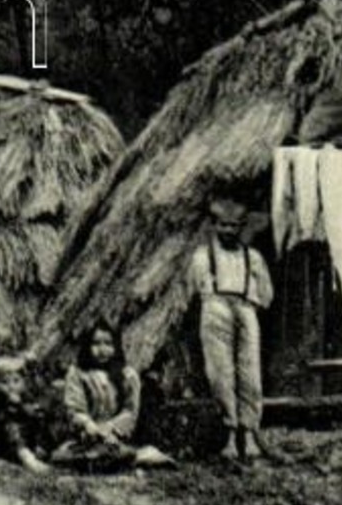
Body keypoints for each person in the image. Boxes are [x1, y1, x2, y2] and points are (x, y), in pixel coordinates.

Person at [187, 197, 274, 462]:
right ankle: (229, 433)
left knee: (250, 373)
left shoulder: (253, 257)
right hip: (215, 308)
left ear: (242, 227)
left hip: (245, 309)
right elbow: (192, 289)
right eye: (223, 225)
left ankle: (248, 434)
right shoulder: (203, 256)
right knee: (220, 372)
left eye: (234, 226)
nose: (228, 231)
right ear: (214, 226)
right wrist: (214, 304)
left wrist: (249, 305)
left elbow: (267, 293)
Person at [49, 322, 174, 472]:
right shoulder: (77, 374)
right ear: (87, 346)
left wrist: (110, 428)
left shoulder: (127, 375)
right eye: (96, 343)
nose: (102, 350)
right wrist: (89, 425)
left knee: (117, 452)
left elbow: (130, 411)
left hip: (115, 437)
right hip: (86, 437)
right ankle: (111, 461)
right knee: (62, 456)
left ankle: (126, 458)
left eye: (108, 343)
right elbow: (74, 408)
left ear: (116, 346)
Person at [0, 354, 51, 475]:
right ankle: (27, 458)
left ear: (23, 382)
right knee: (11, 427)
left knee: (40, 419)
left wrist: (22, 406)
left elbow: (35, 413)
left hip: (26, 439)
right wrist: (14, 406)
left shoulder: (24, 397)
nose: (11, 386)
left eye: (16, 381)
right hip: (2, 442)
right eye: (4, 382)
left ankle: (39, 449)